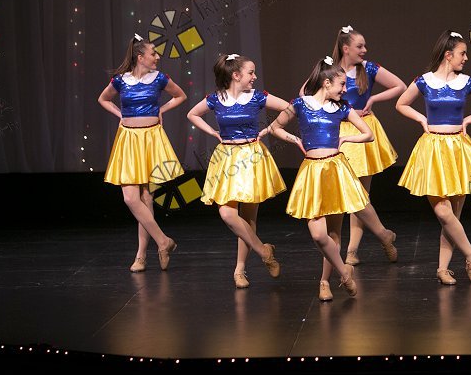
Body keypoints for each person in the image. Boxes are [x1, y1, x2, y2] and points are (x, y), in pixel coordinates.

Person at [268, 57, 397, 301]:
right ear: (327, 83)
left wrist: (346, 139)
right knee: (318, 234)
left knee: (334, 232)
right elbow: (275, 127)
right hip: (312, 172)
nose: (345, 90)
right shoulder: (300, 104)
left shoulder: (342, 108)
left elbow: (368, 134)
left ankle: (325, 281)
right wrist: (295, 140)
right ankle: (344, 272)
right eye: (342, 85)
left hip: (336, 170)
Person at [396, 30, 471, 285]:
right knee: (443, 212)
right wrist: (422, 119)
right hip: (432, 148)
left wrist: (468, 120)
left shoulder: (467, 82)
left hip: (458, 149)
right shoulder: (424, 81)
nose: (466, 58)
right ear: (448, 55)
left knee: (453, 216)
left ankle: (442, 269)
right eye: (462, 53)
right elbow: (401, 103)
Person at [187, 53, 286, 288]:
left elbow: (290, 109)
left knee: (248, 218)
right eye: (251, 72)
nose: (255, 77)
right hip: (227, 157)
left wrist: (270, 129)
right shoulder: (216, 99)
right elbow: (192, 114)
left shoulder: (257, 96)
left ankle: (240, 270)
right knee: (227, 213)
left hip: (251, 156)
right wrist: (212, 133)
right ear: (236, 75)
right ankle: (264, 251)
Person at [98, 34, 187, 272]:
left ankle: (141, 256)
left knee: (147, 197)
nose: (157, 57)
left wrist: (161, 110)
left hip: (151, 139)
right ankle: (163, 241)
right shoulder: (121, 81)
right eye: (153, 53)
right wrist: (121, 115)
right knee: (130, 198)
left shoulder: (159, 78)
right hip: (129, 140)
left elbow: (180, 95)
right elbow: (103, 99)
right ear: (140, 57)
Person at [330, 25, 405, 265]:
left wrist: (373, 98)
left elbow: (400, 86)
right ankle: (384, 235)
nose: (364, 50)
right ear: (346, 48)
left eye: (364, 46)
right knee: (353, 192)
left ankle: (352, 251)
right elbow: (306, 93)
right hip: (340, 132)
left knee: (361, 193)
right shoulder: (330, 71)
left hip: (363, 129)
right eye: (359, 46)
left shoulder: (369, 68)